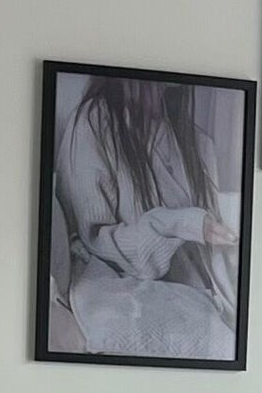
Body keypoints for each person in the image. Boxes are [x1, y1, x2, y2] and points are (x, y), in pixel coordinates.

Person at [52, 77, 239, 361]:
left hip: (199, 292)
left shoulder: (196, 142)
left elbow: (214, 240)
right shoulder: (93, 123)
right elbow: (98, 241)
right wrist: (180, 224)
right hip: (127, 285)